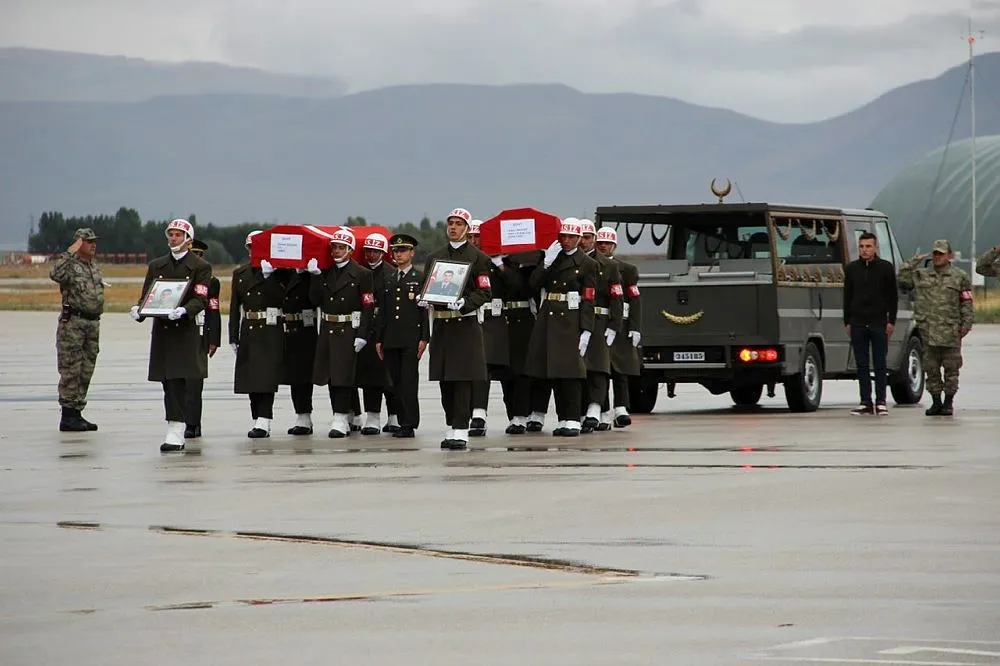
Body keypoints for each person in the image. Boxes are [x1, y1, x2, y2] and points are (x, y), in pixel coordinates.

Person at [130, 219, 212, 452]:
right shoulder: (157, 265)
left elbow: (201, 298)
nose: (173, 239)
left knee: (181, 380)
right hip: (163, 331)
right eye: (171, 234)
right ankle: (174, 426)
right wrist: (140, 310)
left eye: (178, 235)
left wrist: (185, 310)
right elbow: (148, 295)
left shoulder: (200, 266)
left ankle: (178, 428)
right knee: (168, 380)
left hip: (185, 331)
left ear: (188, 239)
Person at [420, 207, 493, 450]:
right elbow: (427, 285)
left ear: (467, 228)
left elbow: (485, 291)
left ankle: (461, 429)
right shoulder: (435, 257)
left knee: (462, 379)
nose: (453, 227)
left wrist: (466, 302)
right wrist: (423, 297)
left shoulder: (478, 258)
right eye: (450, 223)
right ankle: (451, 425)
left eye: (459, 223)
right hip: (442, 324)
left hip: (465, 324)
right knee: (445, 380)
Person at [524, 219, 598, 437]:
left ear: (578, 239)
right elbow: (533, 284)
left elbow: (589, 299)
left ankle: (573, 418)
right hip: (549, 317)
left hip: (571, 319)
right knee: (553, 372)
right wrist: (546, 263)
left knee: (570, 372)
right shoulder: (552, 258)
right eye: (563, 236)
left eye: (571, 237)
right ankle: (562, 419)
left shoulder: (587, 264)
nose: (566, 241)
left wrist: (586, 329)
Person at [306, 227, 376, 438]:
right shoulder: (326, 272)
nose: (336, 251)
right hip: (328, 327)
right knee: (330, 374)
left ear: (350, 250)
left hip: (348, 328)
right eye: (334, 247)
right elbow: (315, 300)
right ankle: (340, 414)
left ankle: (340, 416)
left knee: (343, 376)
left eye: (341, 247)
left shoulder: (362, 274)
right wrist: (315, 277)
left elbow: (368, 305)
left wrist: (363, 333)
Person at [897, 239, 973, 416]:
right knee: (931, 370)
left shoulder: (959, 276)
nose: (938, 257)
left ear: (949, 255)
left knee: (951, 369)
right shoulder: (921, 275)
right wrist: (916, 259)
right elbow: (902, 275)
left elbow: (966, 302)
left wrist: (966, 324)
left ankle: (948, 402)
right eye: (935, 254)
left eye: (941, 254)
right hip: (928, 331)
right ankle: (936, 402)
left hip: (950, 331)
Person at [230, 231, 286, 438]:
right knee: (250, 378)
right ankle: (257, 417)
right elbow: (235, 307)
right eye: (251, 247)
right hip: (249, 328)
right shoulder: (240, 273)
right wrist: (233, 336)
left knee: (266, 376)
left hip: (270, 328)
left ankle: (264, 418)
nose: (254, 251)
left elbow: (281, 299)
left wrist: (269, 277)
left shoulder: (279, 271)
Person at [49, 227, 105, 432]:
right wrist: (70, 251)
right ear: (79, 244)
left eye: (94, 241)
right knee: (71, 369)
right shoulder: (70, 266)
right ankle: (68, 415)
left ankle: (77, 412)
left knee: (86, 369)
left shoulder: (93, 266)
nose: (93, 245)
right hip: (74, 323)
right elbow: (55, 273)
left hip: (92, 323)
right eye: (88, 241)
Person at [375, 233, 430, 438]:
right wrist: (379, 338)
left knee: (408, 382)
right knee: (395, 382)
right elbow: (383, 312)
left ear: (412, 253)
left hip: (410, 338)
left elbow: (424, 311)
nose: (398, 254)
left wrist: (425, 337)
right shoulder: (389, 278)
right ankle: (400, 420)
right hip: (391, 338)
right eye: (396, 251)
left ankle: (409, 423)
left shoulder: (419, 278)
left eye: (403, 250)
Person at [843, 231, 898, 416]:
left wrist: (891, 321)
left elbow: (893, 297)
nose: (865, 250)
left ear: (875, 248)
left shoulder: (885, 268)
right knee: (862, 364)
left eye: (868, 246)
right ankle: (865, 401)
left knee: (880, 363)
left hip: (878, 322)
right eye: (861, 246)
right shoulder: (852, 269)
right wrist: (847, 321)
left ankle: (881, 401)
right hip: (858, 322)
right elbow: (847, 296)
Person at [578, 219, 624, 433]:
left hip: (600, 321)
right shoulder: (570, 261)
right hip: (574, 320)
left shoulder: (610, 266)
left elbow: (617, 297)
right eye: (581, 237)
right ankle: (584, 411)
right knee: (579, 370)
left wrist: (615, 324)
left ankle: (596, 408)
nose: (583, 242)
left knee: (598, 367)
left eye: (587, 238)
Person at [467, 220, 513, 437]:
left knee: (506, 372)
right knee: (479, 367)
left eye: (477, 237)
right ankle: (478, 413)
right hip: (473, 317)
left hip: (498, 320)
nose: (473, 241)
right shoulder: (464, 261)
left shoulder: (501, 261)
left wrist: (500, 265)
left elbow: (518, 286)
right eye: (470, 237)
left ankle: (516, 415)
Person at [595, 226, 642, 428]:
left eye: (607, 243)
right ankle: (604, 411)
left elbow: (635, 299)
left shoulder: (628, 270)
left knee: (620, 369)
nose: (603, 246)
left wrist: (635, 326)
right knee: (602, 369)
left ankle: (621, 407)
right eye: (600, 243)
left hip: (621, 325)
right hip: (601, 323)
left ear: (614, 246)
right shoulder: (592, 266)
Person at [355, 232, 397, 435]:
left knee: (390, 375)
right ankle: (372, 416)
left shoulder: (391, 273)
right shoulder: (361, 272)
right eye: (368, 251)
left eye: (375, 251)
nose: (371, 255)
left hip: (387, 329)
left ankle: (394, 415)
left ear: (383, 252)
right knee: (369, 376)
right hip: (367, 329)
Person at [183, 238, 222, 438]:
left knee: (194, 382)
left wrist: (214, 338)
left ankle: (192, 424)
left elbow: (214, 309)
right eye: (193, 255)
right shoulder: (177, 278)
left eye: (199, 255)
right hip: (178, 332)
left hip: (199, 333)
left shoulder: (211, 281)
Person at [275, 264, 318, 436]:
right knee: (296, 376)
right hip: (290, 328)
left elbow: (317, 299)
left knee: (325, 375)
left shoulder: (313, 273)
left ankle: (349, 413)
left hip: (309, 328)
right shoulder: (286, 273)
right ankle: (303, 415)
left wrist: (315, 275)